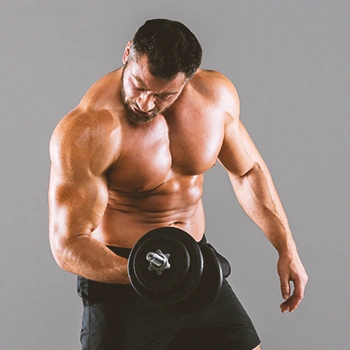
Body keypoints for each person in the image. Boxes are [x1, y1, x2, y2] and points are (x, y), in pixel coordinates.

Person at [48, 18, 308, 350]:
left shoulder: (214, 99)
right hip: (122, 280)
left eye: (163, 95)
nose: (145, 103)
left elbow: (248, 172)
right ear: (128, 52)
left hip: (195, 268)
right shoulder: (89, 129)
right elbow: (68, 244)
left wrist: (286, 248)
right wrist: (148, 275)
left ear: (187, 80)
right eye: (139, 85)